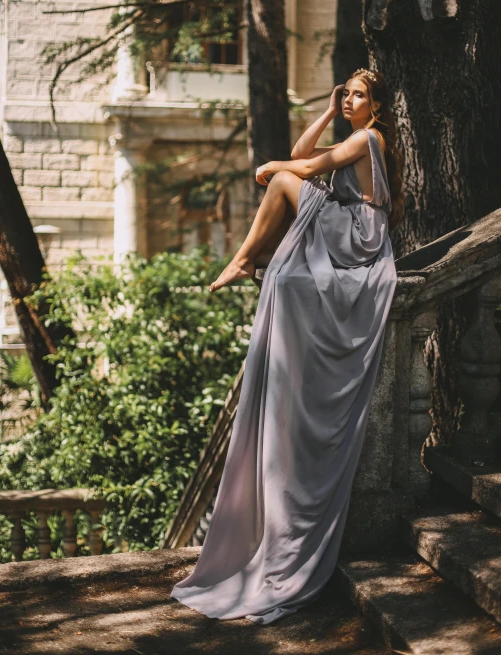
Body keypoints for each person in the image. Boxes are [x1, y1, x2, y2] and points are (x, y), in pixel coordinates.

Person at [170, 68, 404, 624]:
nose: (350, 101)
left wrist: (278, 168)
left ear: (376, 106)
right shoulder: (349, 130)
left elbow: (308, 166)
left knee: (281, 183)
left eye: (358, 96)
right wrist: (323, 113)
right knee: (284, 183)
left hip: (361, 236)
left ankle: (245, 257)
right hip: (348, 226)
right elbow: (306, 149)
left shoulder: (370, 138)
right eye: (346, 93)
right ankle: (249, 257)